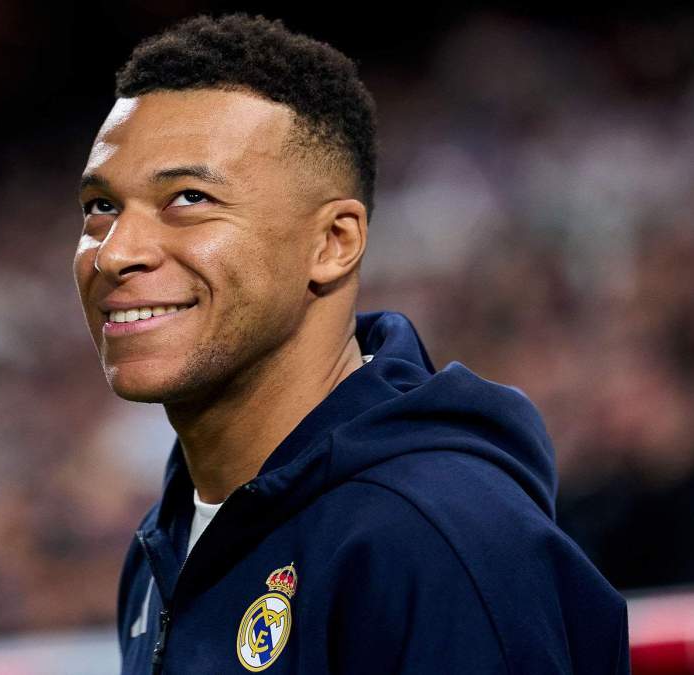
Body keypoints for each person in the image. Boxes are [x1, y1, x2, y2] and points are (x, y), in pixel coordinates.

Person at [72, 14, 629, 674]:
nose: (115, 253)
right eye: (101, 206)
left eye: (189, 198)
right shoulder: (164, 541)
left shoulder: (435, 539)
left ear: (333, 243)